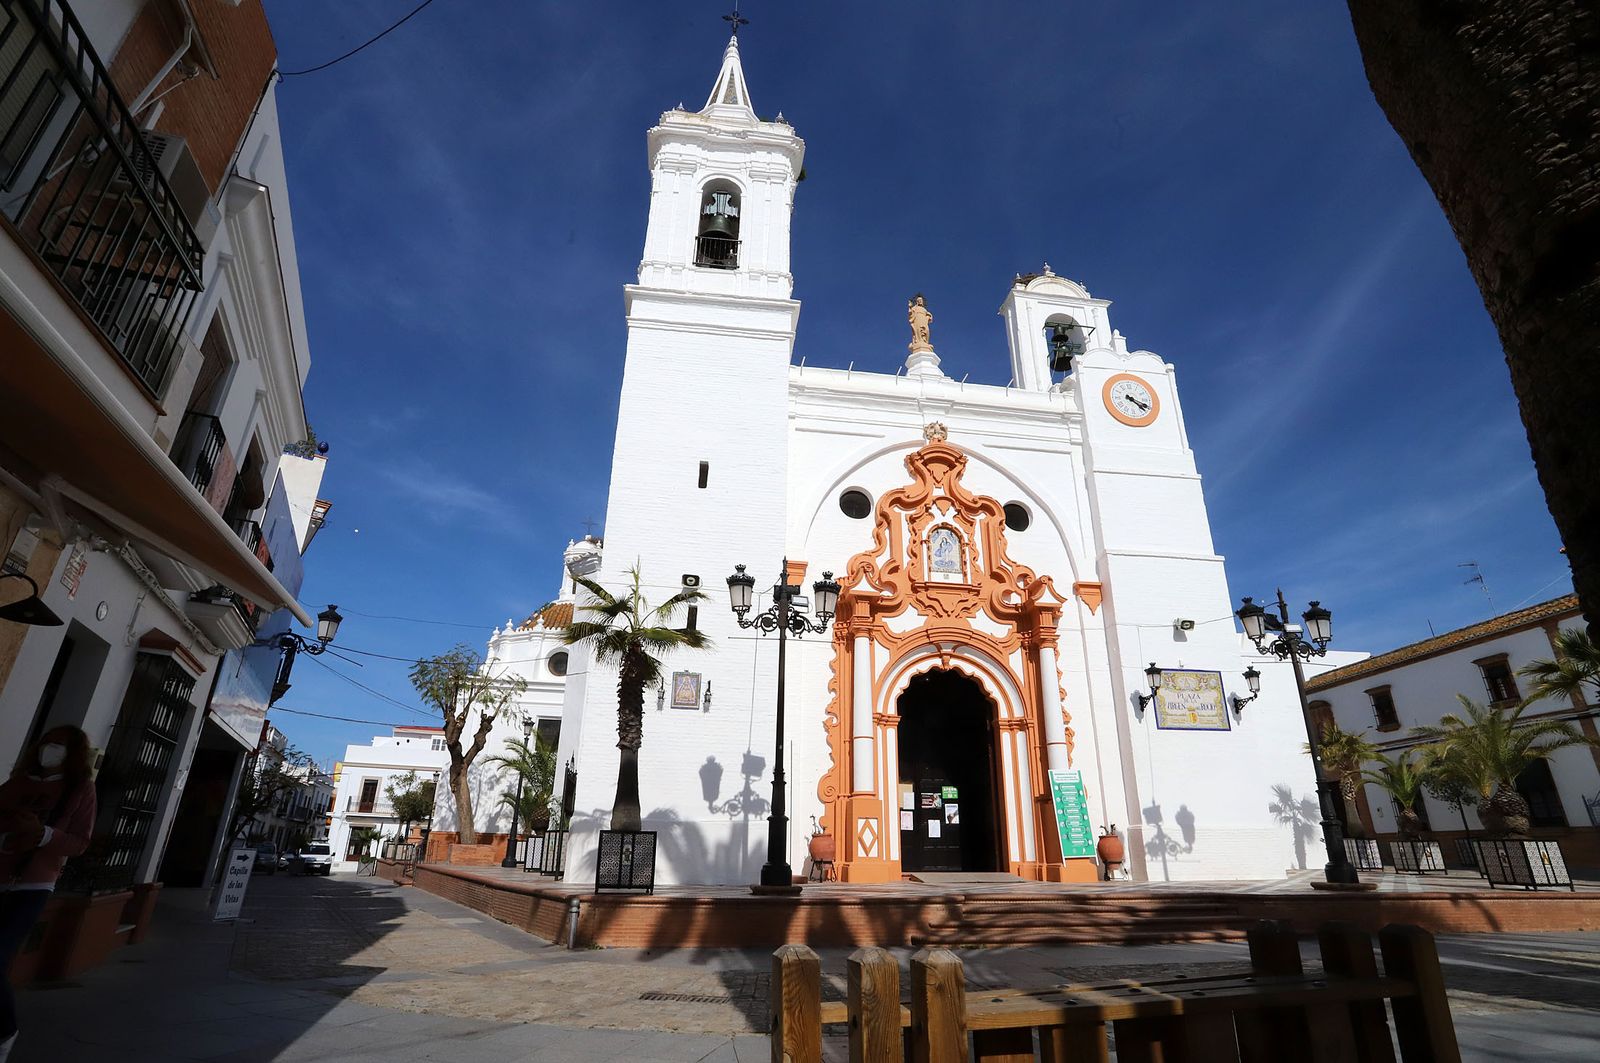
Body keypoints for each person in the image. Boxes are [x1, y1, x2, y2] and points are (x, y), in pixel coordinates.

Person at [0, 727, 96, 1061]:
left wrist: (43, 835)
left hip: (33, 886)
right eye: (48, 743)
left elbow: (80, 842)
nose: (51, 749)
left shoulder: (80, 789)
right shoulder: (18, 783)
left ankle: (4, 1031)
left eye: (60, 746)